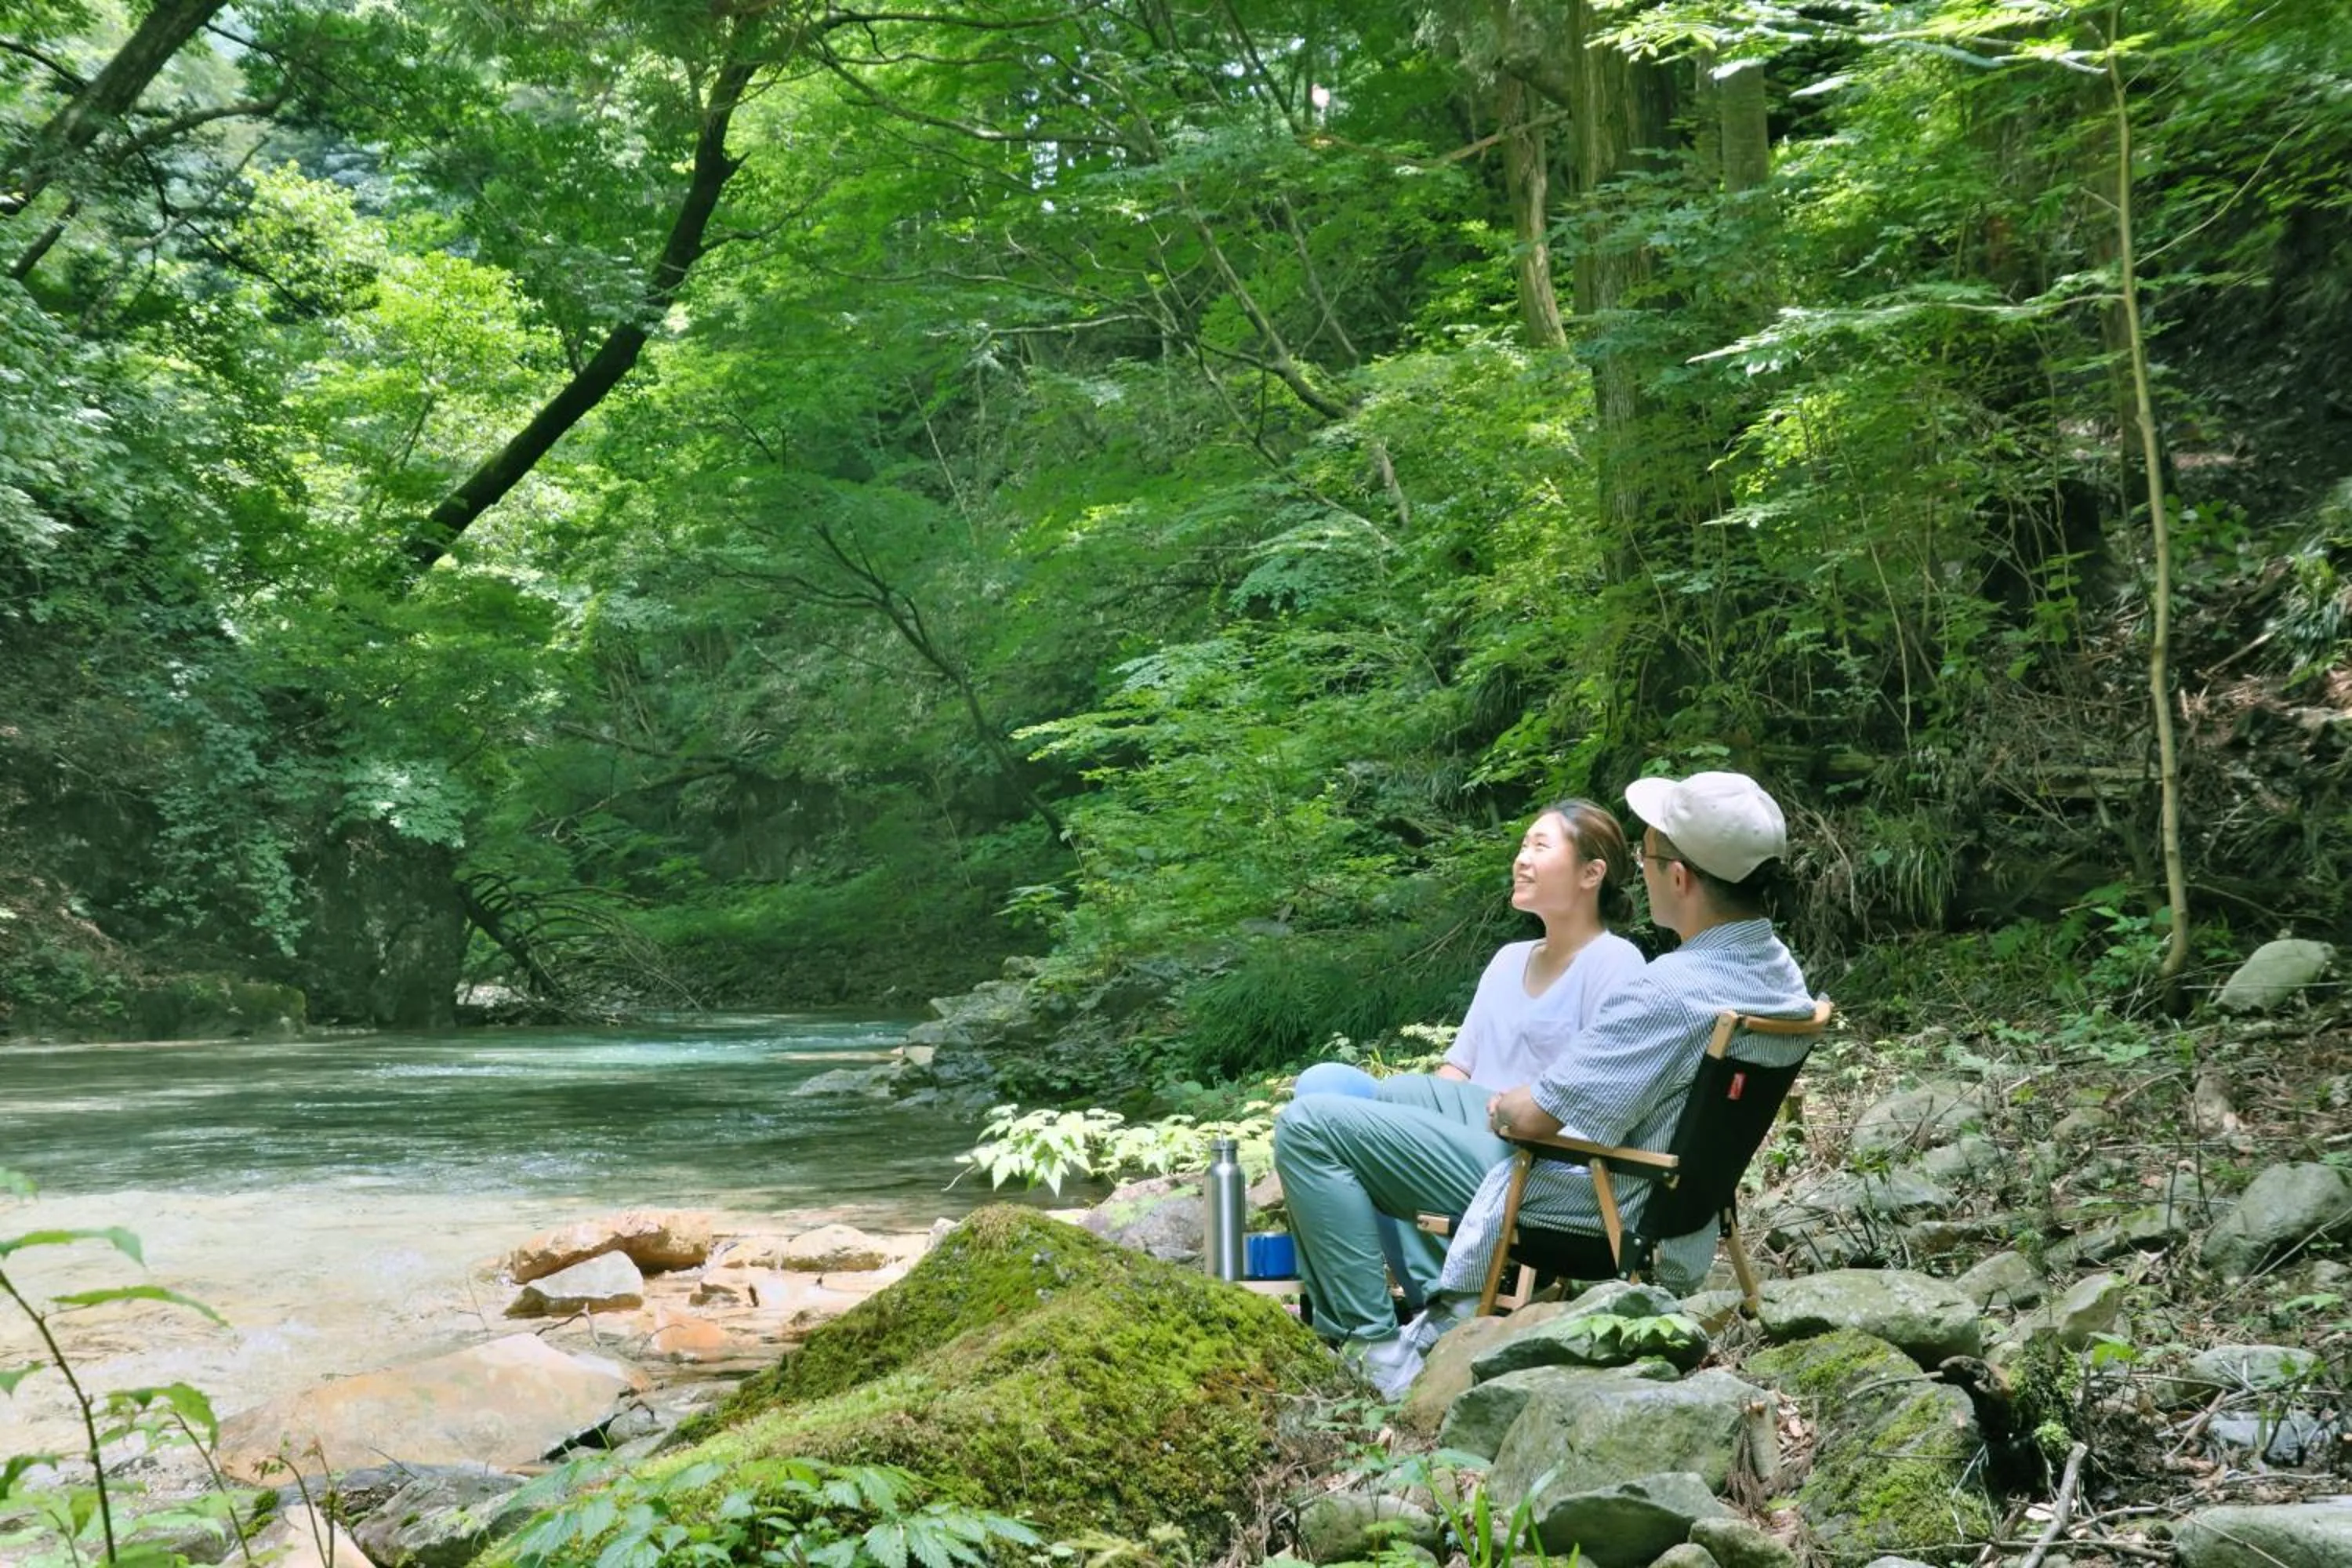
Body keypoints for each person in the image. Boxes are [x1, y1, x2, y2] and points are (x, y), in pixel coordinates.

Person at [1375, 769, 1818, 1396]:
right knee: (1388, 1101)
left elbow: (1535, 1121)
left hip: (1608, 1205)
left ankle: (1409, 1339)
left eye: (1646, 855)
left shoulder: (1669, 989)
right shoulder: (1778, 975)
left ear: (1681, 878)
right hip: (1682, 1206)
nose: (1638, 866)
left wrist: (1505, 1109)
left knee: (1321, 1126)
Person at [1272, 799, 1646, 1388]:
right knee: (1325, 1085)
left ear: (1591, 874)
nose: (1521, 859)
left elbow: (1600, 1102)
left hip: (1535, 1156)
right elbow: (1456, 1074)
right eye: (1522, 845)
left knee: (1315, 1125)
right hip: (1472, 1130)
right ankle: (1419, 1296)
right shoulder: (1507, 960)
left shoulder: (1615, 964)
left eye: (1540, 847)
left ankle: (1375, 1337)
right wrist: (1400, 1129)